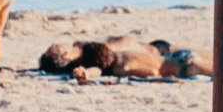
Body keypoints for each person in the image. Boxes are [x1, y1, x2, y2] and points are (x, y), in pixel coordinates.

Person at [36, 36, 211, 81]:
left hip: (170, 55)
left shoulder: (84, 47)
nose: (56, 45)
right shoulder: (102, 64)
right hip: (180, 64)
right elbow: (97, 71)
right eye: (55, 49)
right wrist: (86, 74)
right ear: (63, 57)